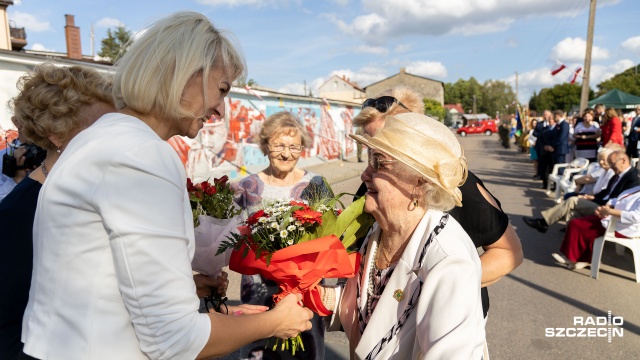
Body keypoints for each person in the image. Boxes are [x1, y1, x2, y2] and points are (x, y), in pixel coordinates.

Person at [20, 12, 313, 360]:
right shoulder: (141, 154)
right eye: (220, 90)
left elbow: (101, 279)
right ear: (180, 73)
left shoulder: (97, 141)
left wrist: (185, 289)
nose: (219, 109)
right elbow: (175, 339)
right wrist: (275, 322)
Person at [352, 86, 522, 357]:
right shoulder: (373, 188)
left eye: (384, 149)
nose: (369, 167)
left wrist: (437, 290)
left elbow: (508, 253)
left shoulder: (457, 184)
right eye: (370, 145)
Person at [320, 112, 485, 359]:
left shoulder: (449, 259)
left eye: (379, 162)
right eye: (369, 160)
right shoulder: (379, 230)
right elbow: (364, 305)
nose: (365, 174)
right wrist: (306, 292)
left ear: (419, 182)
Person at [0, 64, 116, 360]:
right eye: (101, 126)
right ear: (57, 134)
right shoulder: (20, 212)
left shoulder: (84, 195)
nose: (116, 136)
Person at [233, 111, 330, 360]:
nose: (286, 154)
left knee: (306, 350)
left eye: (293, 146)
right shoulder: (247, 187)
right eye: (279, 145)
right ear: (266, 146)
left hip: (303, 291)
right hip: (258, 289)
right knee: (258, 350)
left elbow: (330, 238)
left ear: (302, 148)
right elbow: (230, 236)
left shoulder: (316, 185)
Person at [523, 150, 639, 233]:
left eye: (612, 164)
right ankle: (571, 248)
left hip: (608, 211)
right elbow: (607, 192)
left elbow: (619, 200)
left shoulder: (632, 177)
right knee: (572, 212)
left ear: (623, 160)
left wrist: (599, 202)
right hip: (602, 203)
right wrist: (591, 197)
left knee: (572, 201)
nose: (611, 167)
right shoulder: (618, 174)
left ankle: (543, 222)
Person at [552, 185, 640, 270]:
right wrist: (606, 207)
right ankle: (581, 259)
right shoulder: (636, 188)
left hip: (623, 228)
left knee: (578, 225)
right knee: (577, 222)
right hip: (613, 219)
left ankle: (574, 258)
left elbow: (636, 217)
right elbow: (617, 200)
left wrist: (610, 211)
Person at [533, 110, 552, 181]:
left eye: (547, 115)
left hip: (549, 145)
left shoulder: (552, 124)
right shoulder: (539, 124)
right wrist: (541, 135)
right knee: (540, 161)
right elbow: (534, 133)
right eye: (544, 115)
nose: (545, 116)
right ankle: (540, 174)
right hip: (540, 145)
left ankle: (547, 177)